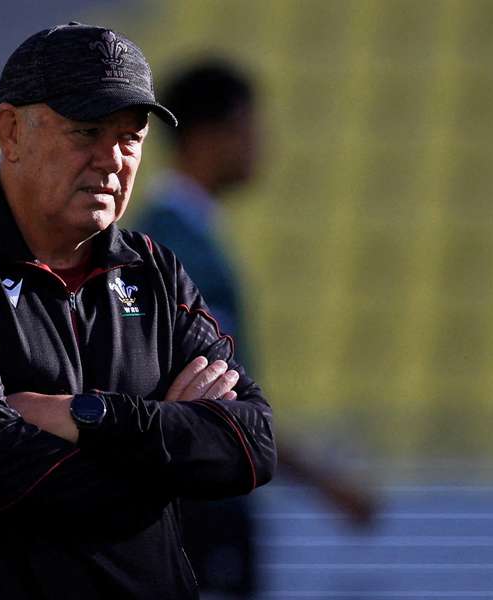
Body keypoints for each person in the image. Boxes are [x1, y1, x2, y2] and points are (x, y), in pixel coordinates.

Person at [0, 23, 276, 599]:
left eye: (131, 137)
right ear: (11, 131)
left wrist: (92, 417)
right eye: (86, 130)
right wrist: (169, 449)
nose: (112, 159)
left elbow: (252, 443)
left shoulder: (156, 272)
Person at [135, 61, 376, 598]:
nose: (260, 145)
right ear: (205, 137)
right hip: (201, 511)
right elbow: (219, 403)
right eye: (249, 128)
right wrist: (324, 483)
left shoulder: (175, 236)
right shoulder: (180, 251)